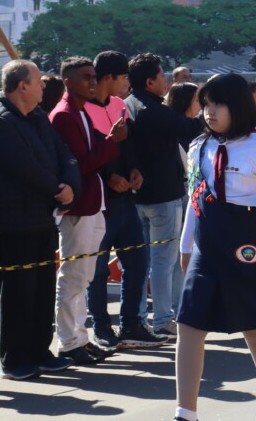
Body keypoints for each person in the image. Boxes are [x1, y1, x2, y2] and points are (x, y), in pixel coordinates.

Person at [147, 74, 256, 421]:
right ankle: (185, 417)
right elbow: (195, 200)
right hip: (207, 246)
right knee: (189, 324)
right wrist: (186, 249)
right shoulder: (199, 146)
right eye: (206, 104)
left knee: (255, 326)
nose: (209, 112)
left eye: (219, 104)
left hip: (248, 245)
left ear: (239, 106)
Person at [0, 60, 81, 380]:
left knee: (41, 291)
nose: (43, 87)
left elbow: (64, 154)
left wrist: (70, 184)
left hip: (40, 217)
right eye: (38, 81)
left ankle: (39, 352)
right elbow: (26, 170)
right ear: (22, 85)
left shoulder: (36, 115)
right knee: (18, 293)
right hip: (11, 222)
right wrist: (58, 190)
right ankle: (14, 360)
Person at [48, 57, 125, 365]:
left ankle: (80, 337)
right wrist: (112, 141)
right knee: (73, 276)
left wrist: (108, 142)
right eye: (85, 77)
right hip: (78, 206)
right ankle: (69, 342)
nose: (92, 82)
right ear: (68, 82)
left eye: (94, 76)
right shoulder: (64, 115)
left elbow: (92, 155)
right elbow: (81, 163)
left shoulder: (79, 111)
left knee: (85, 275)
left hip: (93, 203)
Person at [85, 51, 163, 350]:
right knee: (98, 270)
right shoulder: (84, 109)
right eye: (123, 78)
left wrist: (135, 169)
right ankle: (101, 327)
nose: (127, 84)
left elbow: (128, 148)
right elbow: (85, 155)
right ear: (109, 78)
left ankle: (131, 324)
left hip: (126, 200)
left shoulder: (120, 106)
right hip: (99, 203)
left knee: (137, 263)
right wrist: (108, 178)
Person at [127, 53, 199, 338]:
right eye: (161, 76)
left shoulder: (127, 105)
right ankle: (164, 319)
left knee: (144, 262)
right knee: (164, 261)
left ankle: (143, 318)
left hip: (138, 196)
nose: (166, 81)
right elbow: (191, 127)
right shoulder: (154, 109)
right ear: (149, 81)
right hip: (164, 195)